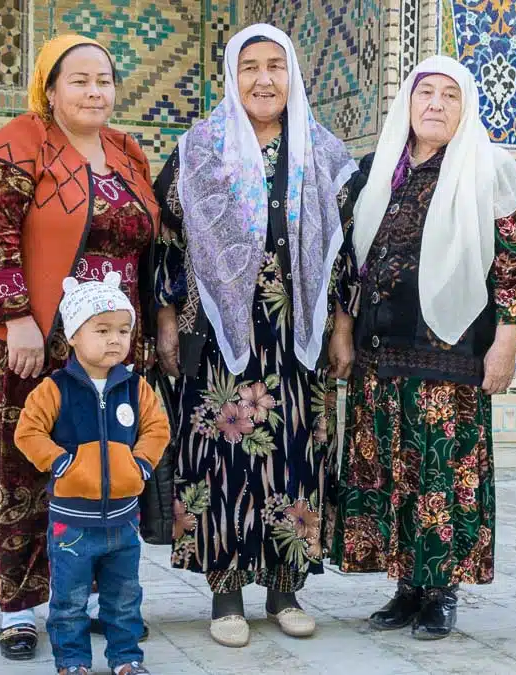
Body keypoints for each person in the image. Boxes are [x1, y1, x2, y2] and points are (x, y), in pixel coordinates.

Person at [152, 24, 359, 648]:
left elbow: (345, 251)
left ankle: (285, 589)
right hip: (219, 329)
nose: (264, 79)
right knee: (221, 459)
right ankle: (226, 593)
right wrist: (165, 319)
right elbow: (167, 239)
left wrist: (342, 325)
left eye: (276, 65)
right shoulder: (200, 149)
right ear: (231, 77)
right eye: (250, 67)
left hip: (298, 331)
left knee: (296, 451)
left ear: (293, 74)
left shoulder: (323, 151)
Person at [330, 55, 516, 640]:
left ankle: (441, 590)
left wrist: (506, 345)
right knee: (390, 469)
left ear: (465, 108)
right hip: (379, 353)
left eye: (451, 95)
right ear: (407, 102)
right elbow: (350, 261)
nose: (436, 104)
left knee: (441, 471)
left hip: (452, 355)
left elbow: (514, 265)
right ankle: (406, 586)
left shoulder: (487, 168)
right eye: (426, 92)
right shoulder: (378, 170)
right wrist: (342, 331)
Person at [0, 34, 159, 660]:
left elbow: (146, 247)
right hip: (36, 341)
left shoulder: (126, 152)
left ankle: (94, 600)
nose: (94, 91)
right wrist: (16, 318)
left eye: (103, 80)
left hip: (110, 348)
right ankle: (19, 609)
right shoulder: (20, 141)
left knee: (103, 466)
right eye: (78, 80)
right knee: (26, 466)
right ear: (49, 90)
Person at [15, 272, 170, 675]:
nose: (114, 340)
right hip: (71, 524)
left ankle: (126, 659)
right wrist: (60, 463)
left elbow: (157, 429)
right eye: (102, 330)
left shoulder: (136, 387)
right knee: (69, 600)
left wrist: (140, 464)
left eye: (123, 330)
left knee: (124, 598)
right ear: (73, 336)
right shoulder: (55, 389)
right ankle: (72, 662)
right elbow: (28, 431)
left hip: (123, 522)